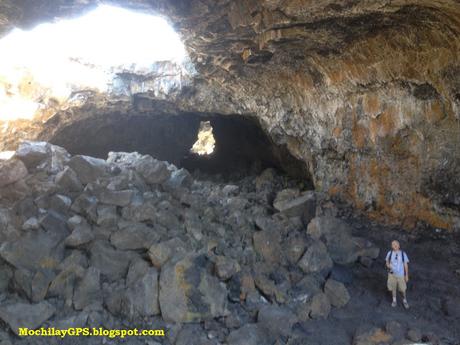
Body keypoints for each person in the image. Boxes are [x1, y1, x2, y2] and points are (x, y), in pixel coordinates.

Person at [385, 240, 410, 309]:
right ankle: (394, 300)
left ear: (399, 246)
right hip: (392, 274)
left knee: (402, 289)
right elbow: (387, 261)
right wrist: (388, 265)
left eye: (396, 244)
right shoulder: (389, 253)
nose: (395, 245)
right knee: (392, 288)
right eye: (393, 244)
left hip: (400, 275)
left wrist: (406, 275)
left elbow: (405, 265)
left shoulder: (403, 254)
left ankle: (404, 300)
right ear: (391, 246)